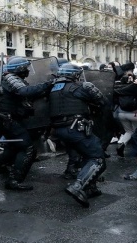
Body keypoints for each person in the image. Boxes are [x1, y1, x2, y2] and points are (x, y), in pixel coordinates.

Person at [0, 57, 54, 191]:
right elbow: (24, 91)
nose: (27, 71)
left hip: (4, 119)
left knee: (13, 148)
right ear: (20, 69)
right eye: (25, 68)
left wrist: (44, 90)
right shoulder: (11, 78)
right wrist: (48, 84)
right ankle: (14, 180)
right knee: (28, 149)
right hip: (7, 119)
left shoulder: (7, 79)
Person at [48, 63, 106, 207]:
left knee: (86, 155)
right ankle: (79, 186)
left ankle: (90, 187)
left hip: (59, 130)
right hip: (76, 128)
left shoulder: (53, 89)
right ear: (74, 75)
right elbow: (101, 101)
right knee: (97, 158)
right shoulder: (81, 87)